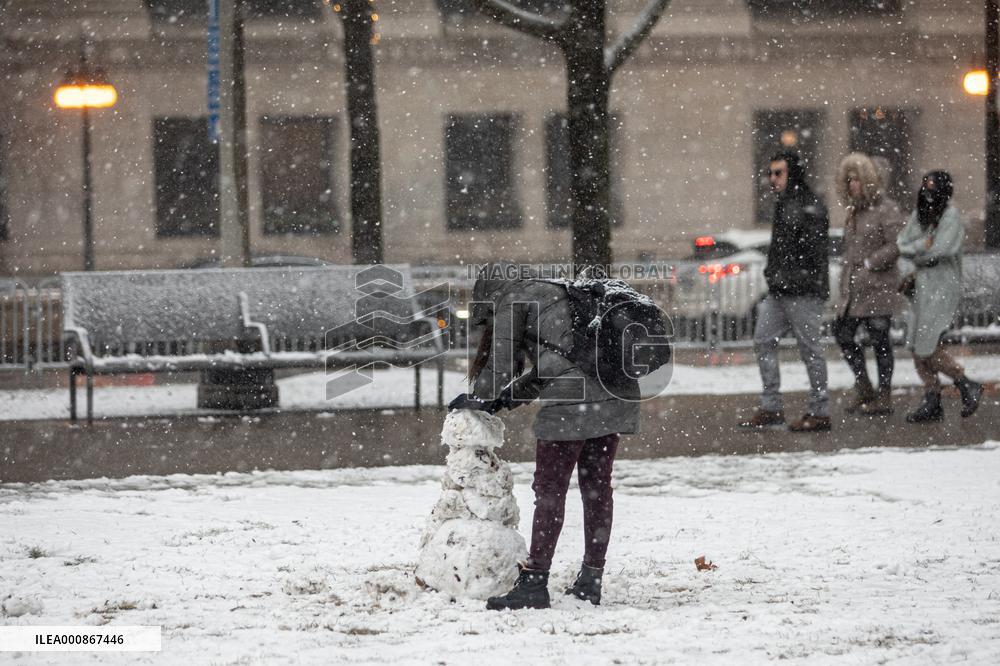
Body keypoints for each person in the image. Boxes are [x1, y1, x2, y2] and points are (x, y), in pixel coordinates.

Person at [449, 264, 640, 610]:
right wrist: (508, 398)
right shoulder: (561, 292)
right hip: (615, 394)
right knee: (596, 488)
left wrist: (480, 397)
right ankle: (591, 580)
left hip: (573, 403)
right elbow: (556, 364)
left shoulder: (513, 299)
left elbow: (502, 362)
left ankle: (534, 583)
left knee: (549, 490)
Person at [740, 150, 831, 432]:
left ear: (792, 173)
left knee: (810, 350)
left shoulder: (808, 205)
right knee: (763, 340)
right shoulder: (785, 204)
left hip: (803, 291)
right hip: (781, 290)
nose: (773, 178)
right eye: (770, 173)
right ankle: (771, 406)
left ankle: (819, 410)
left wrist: (799, 277)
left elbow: (814, 251)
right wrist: (774, 273)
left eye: (779, 172)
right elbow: (782, 248)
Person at [896, 171, 983, 423]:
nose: (928, 193)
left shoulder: (951, 216)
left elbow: (943, 249)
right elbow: (903, 243)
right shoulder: (920, 215)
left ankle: (965, 382)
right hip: (920, 289)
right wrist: (924, 245)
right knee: (915, 345)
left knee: (928, 345)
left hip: (942, 289)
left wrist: (921, 251)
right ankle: (932, 398)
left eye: (934, 188)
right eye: (926, 187)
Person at [832, 153, 906, 415]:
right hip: (853, 290)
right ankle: (864, 386)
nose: (853, 184)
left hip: (878, 288)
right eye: (849, 180)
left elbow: (897, 244)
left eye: (857, 179)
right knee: (841, 333)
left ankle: (884, 395)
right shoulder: (854, 211)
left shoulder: (887, 208)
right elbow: (850, 248)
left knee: (880, 341)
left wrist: (871, 263)